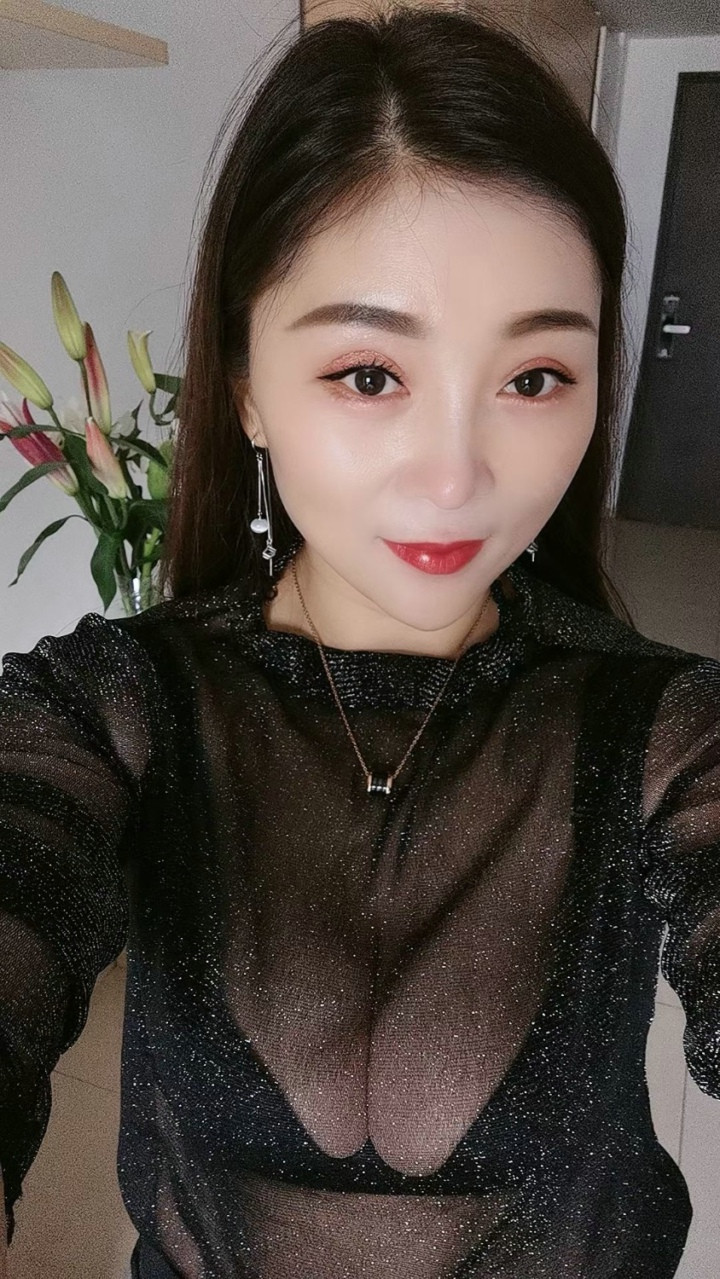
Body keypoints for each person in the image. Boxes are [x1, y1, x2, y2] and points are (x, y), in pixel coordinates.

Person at [0, 4, 718, 1277]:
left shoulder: (662, 734)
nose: (456, 479)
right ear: (246, 387)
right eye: (371, 375)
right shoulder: (113, 711)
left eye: (534, 379)